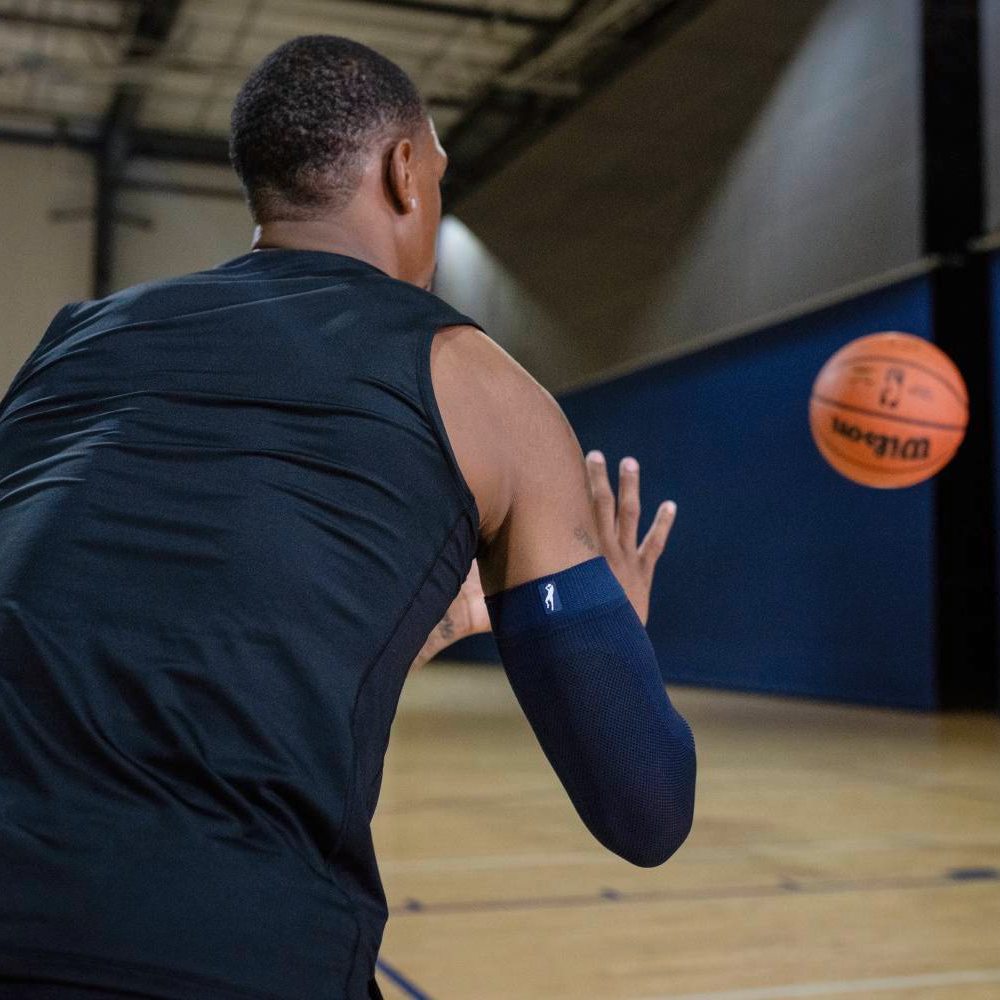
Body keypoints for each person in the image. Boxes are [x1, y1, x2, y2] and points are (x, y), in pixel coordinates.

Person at [0, 35, 696, 1000]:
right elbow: (645, 808)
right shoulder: (483, 385)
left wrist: (406, 639)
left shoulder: (70, 347)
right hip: (228, 951)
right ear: (406, 173)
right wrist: (612, 627)